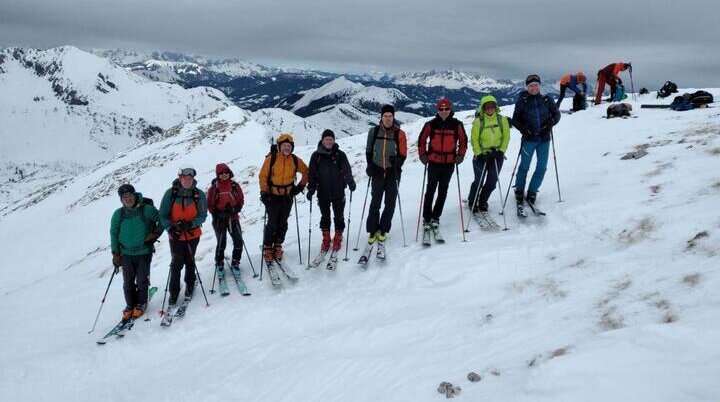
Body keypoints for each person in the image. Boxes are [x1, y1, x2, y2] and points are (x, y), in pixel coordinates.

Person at [110, 184, 161, 320]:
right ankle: (130, 305)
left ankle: (141, 303)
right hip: (126, 254)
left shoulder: (147, 210)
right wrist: (115, 253)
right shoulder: (118, 214)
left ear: (135, 195)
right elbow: (114, 233)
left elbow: (162, 219)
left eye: (130, 196)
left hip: (144, 251)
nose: (128, 199)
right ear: (121, 199)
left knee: (142, 280)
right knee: (127, 282)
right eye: (124, 197)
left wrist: (155, 234)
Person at [417, 98, 467, 237]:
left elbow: (463, 142)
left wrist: (460, 156)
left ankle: (436, 216)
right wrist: (422, 155)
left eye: (446, 109)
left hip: (449, 162)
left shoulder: (457, 125)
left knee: (443, 191)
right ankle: (427, 217)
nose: (444, 112)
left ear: (450, 109)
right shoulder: (430, 124)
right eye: (441, 109)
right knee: (430, 190)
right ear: (437, 110)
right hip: (433, 161)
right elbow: (421, 140)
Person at [158, 166, 208, 306]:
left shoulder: (199, 194)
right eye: (185, 178)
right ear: (180, 178)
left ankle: (190, 284)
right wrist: (170, 228)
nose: (187, 180)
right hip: (176, 235)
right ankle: (173, 292)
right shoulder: (170, 194)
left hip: (193, 234)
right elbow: (162, 215)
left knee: (190, 260)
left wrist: (191, 224)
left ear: (193, 179)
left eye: (190, 178)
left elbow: (203, 215)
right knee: (176, 263)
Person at [259, 134, 309, 264]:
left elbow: (306, 172)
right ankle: (268, 246)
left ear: (292, 148)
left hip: (287, 196)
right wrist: (264, 192)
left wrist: (300, 186)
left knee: (283, 222)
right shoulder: (272, 158)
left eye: (289, 146)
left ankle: (278, 244)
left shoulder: (295, 160)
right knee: (272, 222)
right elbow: (263, 176)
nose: (287, 148)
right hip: (272, 196)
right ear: (279, 146)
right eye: (284, 145)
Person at [511, 74, 561, 206]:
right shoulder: (522, 101)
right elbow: (515, 120)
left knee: (541, 167)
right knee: (524, 166)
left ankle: (532, 191)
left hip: (544, 140)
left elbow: (557, 114)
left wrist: (551, 122)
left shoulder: (547, 100)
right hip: (529, 139)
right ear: (527, 87)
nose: (534, 88)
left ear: (539, 86)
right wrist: (524, 129)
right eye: (531, 86)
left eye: (536, 85)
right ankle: (519, 190)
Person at [307, 129, 356, 254]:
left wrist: (350, 182)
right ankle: (326, 238)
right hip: (322, 191)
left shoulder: (340, 155)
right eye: (326, 139)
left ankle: (338, 237)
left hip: (338, 190)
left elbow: (346, 170)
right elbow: (311, 173)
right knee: (325, 216)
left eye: (331, 139)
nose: (328, 141)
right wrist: (311, 188)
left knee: (339, 216)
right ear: (322, 140)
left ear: (334, 140)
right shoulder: (316, 156)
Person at [365, 104, 407, 244]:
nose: (388, 118)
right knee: (375, 202)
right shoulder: (374, 131)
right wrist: (369, 165)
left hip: (392, 173)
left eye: (390, 116)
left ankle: (383, 229)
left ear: (393, 117)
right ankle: (372, 229)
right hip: (377, 171)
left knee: (390, 203)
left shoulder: (399, 134)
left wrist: (398, 161)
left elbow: (403, 154)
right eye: (385, 116)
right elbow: (369, 151)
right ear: (381, 117)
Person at [467, 95, 511, 213]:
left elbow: (506, 137)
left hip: (497, 155)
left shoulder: (502, 120)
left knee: (492, 182)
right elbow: (474, 139)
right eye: (487, 107)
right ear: (483, 108)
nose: (490, 109)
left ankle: (482, 201)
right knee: (479, 181)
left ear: (496, 107)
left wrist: (501, 151)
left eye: (492, 106)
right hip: (481, 156)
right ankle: (472, 201)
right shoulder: (478, 121)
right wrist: (480, 153)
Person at [207, 163, 245, 277]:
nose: (224, 175)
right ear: (218, 175)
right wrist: (218, 214)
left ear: (229, 173)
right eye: (221, 173)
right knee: (221, 243)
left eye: (226, 172)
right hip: (219, 220)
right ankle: (219, 263)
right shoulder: (214, 188)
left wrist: (235, 209)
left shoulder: (234, 185)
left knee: (238, 241)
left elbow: (240, 200)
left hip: (233, 218)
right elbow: (210, 204)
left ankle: (235, 262)